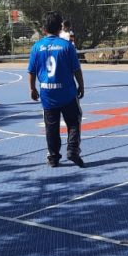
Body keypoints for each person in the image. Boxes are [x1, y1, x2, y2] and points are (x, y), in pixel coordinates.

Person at [28, 11, 85, 168]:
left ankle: (53, 157)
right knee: (73, 121)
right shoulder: (66, 46)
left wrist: (32, 89)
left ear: (44, 28)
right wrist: (81, 85)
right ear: (61, 27)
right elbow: (76, 69)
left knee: (51, 126)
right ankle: (73, 149)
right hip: (67, 92)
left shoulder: (37, 47)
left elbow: (31, 71)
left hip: (47, 93)